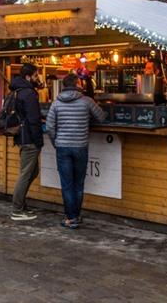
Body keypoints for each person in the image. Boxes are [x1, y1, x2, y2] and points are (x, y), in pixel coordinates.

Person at [46, 73, 107, 229]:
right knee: (78, 184)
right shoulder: (87, 101)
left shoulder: (56, 103)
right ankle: (76, 216)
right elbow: (101, 117)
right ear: (77, 84)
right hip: (80, 147)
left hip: (62, 148)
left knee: (67, 184)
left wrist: (56, 142)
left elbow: (50, 127)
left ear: (64, 85)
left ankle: (70, 217)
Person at [9, 63, 44, 221]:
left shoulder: (17, 91)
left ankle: (20, 205)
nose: (38, 79)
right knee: (26, 173)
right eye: (36, 75)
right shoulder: (29, 93)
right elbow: (34, 119)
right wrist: (39, 141)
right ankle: (17, 209)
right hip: (29, 138)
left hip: (22, 137)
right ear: (28, 77)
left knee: (32, 171)